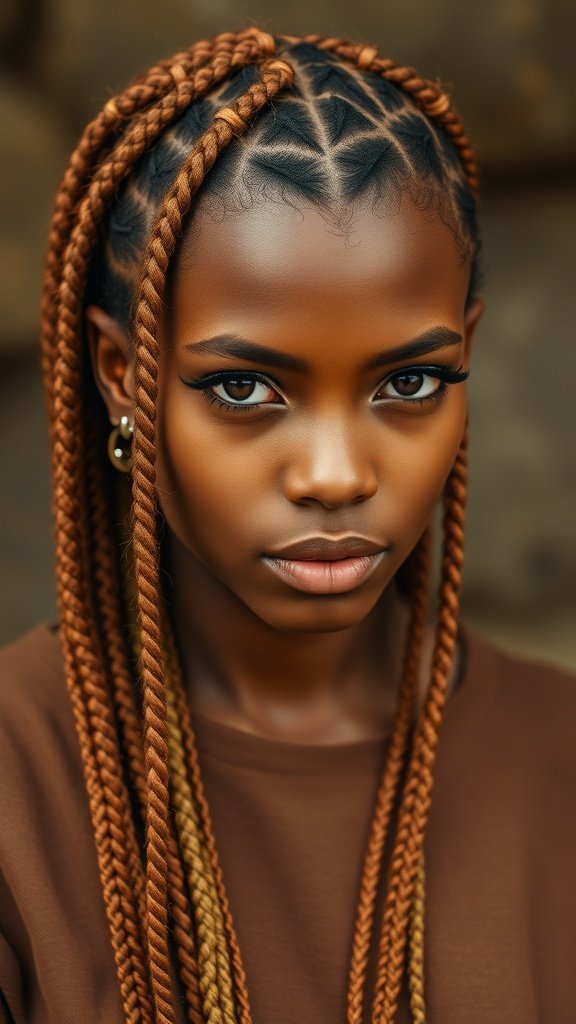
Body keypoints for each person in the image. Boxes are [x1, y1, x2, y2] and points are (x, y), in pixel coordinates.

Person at [1, 26, 575, 1024]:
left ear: (468, 354)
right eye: (245, 386)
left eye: (410, 381)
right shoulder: (20, 787)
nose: (337, 473)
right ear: (123, 375)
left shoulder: (560, 760)